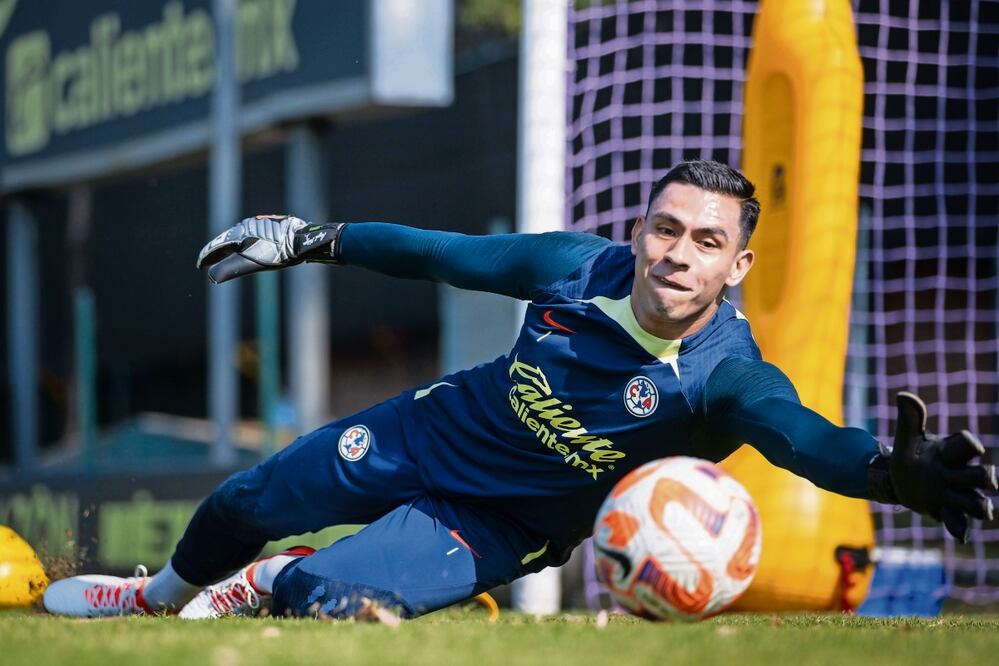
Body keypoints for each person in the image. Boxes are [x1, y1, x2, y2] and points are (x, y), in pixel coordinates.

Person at [43, 160, 995, 620]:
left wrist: (881, 470)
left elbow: (802, 437)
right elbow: (437, 254)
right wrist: (312, 239)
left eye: (706, 242)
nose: (677, 254)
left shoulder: (727, 379)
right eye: (666, 229)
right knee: (250, 496)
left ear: (736, 264)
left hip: (498, 526)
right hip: (431, 430)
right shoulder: (574, 269)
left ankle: (271, 581)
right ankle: (157, 599)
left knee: (327, 599)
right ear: (640, 229)